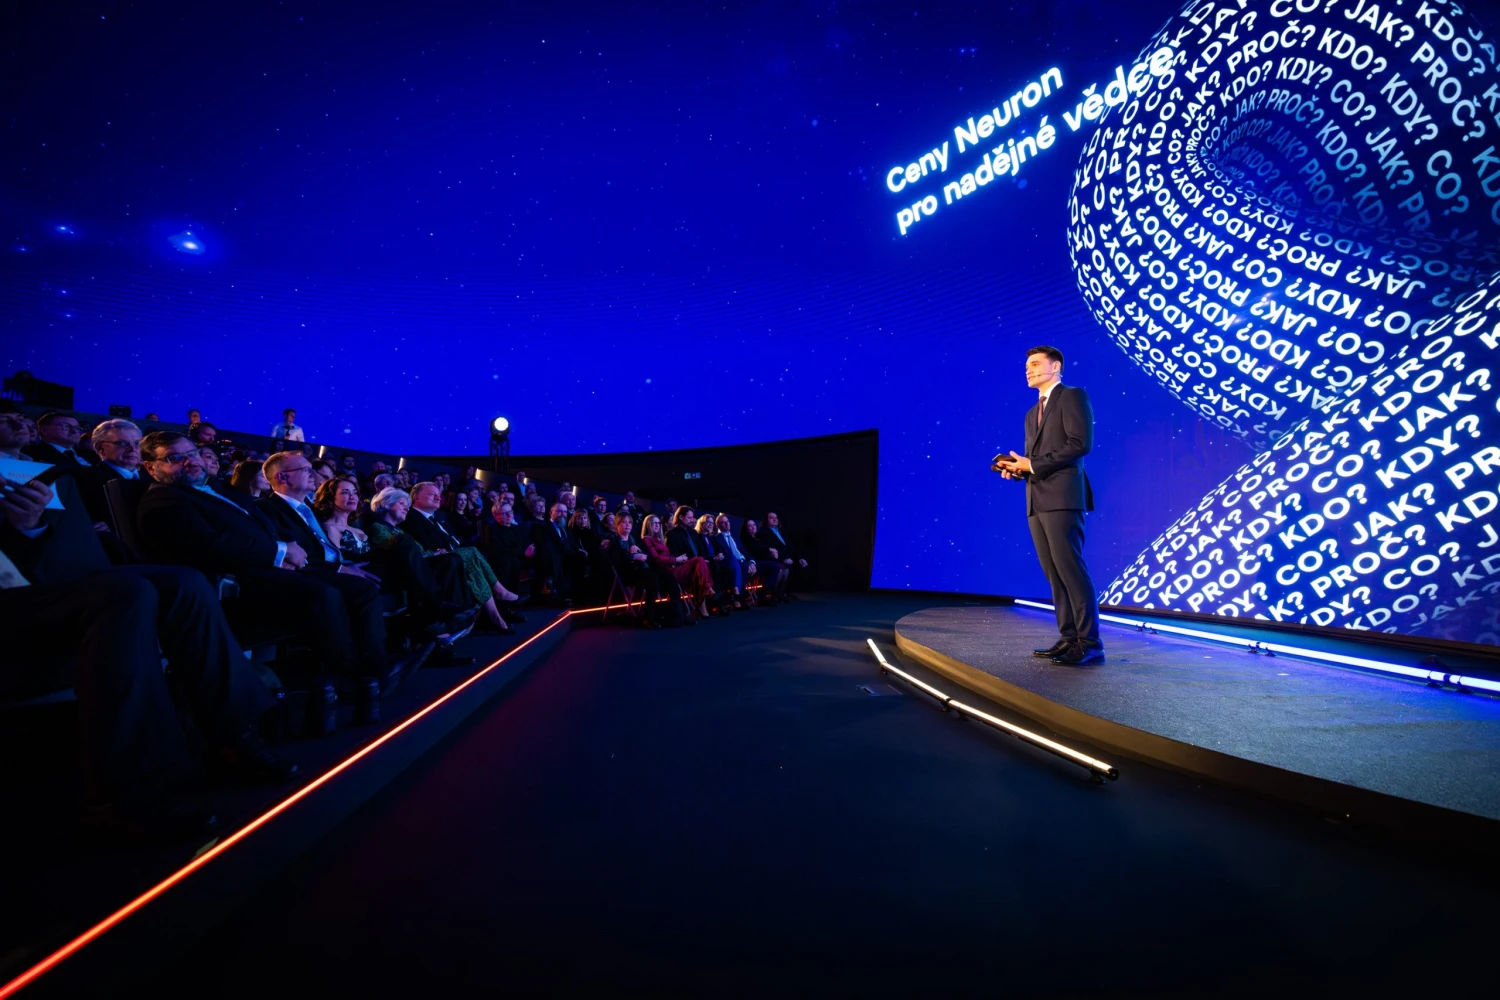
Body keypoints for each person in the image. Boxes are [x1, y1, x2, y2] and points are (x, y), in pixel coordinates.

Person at [135, 436, 398, 688]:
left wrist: (286, 551)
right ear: (150, 467)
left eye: (192, 453)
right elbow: (207, 545)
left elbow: (259, 529)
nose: (190, 461)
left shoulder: (215, 491)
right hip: (239, 580)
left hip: (272, 567)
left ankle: (376, 660)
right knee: (324, 594)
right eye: (174, 457)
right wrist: (279, 552)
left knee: (360, 588)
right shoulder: (164, 498)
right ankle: (359, 674)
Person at [993, 345, 1103, 665]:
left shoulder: (1072, 396)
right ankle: (1069, 637)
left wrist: (1032, 465)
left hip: (1063, 496)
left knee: (1070, 569)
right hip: (1036, 499)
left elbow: (1080, 444)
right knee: (1053, 573)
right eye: (1026, 365)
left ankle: (1090, 643)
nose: (1028, 369)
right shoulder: (1032, 413)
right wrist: (1017, 469)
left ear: (1055, 367)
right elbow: (1035, 460)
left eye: (1035, 363)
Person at [315, 480, 473, 642]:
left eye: (355, 492)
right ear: (330, 498)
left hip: (380, 565)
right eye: (345, 492)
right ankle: (437, 607)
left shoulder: (357, 527)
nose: (352, 496)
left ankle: (452, 619)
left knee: (447, 560)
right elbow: (338, 558)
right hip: (362, 567)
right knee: (402, 541)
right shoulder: (330, 527)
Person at [372, 487, 512, 633]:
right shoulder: (378, 527)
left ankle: (471, 612)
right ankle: (487, 601)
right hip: (406, 573)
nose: (406, 508)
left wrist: (434, 553)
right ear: (386, 504)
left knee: (462, 558)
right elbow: (402, 554)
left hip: (425, 562)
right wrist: (433, 554)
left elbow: (417, 552)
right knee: (461, 556)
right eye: (401, 503)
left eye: (406, 505)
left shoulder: (398, 530)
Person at [402, 482, 522, 623]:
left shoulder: (435, 518)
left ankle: (495, 614)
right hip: (433, 562)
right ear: (415, 496)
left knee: (475, 559)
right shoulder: (410, 517)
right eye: (432, 494)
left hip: (449, 557)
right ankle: (498, 600)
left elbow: (450, 541)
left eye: (438, 494)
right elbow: (426, 546)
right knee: (474, 554)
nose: (438, 497)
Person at [641, 513, 714, 618]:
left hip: (672, 566)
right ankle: (708, 588)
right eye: (654, 523)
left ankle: (705, 594)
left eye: (658, 523)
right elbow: (656, 558)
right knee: (699, 560)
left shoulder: (659, 539)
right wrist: (676, 560)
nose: (657, 525)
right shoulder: (646, 539)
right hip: (665, 571)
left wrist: (677, 559)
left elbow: (667, 556)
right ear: (648, 525)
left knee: (700, 562)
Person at [77, 417, 144, 526]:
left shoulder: (152, 479)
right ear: (100, 448)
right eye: (122, 443)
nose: (132, 449)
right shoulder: (86, 480)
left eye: (137, 443)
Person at [669, 507, 732, 613]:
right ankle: (711, 594)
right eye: (689, 517)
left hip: (698, 563)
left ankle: (712, 606)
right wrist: (700, 560)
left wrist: (706, 559)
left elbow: (701, 552)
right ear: (681, 517)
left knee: (714, 566)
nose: (692, 519)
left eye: (692, 517)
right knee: (703, 564)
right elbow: (674, 555)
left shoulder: (693, 533)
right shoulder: (672, 534)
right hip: (684, 566)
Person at [478, 500, 533, 607]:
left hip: (521, 557)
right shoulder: (491, 528)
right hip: (503, 558)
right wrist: (523, 552)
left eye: (510, 512)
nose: (509, 515)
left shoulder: (517, 528)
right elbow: (498, 549)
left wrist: (528, 550)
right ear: (495, 516)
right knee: (507, 559)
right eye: (505, 513)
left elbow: (527, 544)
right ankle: (508, 599)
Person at [529, 501, 580, 605]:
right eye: (559, 511)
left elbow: (571, 545)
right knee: (554, 559)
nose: (562, 514)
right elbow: (544, 546)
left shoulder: (567, 529)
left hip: (566, 556)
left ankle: (573, 595)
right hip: (550, 557)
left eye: (564, 512)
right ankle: (555, 596)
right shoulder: (542, 527)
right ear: (551, 512)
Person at [22, 411, 97, 470]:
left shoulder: (92, 455)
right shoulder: (30, 454)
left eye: (77, 428)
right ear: (44, 430)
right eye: (66, 426)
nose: (74, 431)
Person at [739, 518, 789, 602]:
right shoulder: (746, 538)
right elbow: (757, 549)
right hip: (753, 563)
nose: (753, 527)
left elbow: (764, 548)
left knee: (782, 567)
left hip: (761, 561)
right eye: (749, 526)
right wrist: (770, 550)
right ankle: (764, 595)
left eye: (754, 525)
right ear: (746, 529)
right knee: (776, 567)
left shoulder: (757, 537)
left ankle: (776, 594)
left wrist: (774, 553)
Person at [762, 512, 808, 599]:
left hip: (788, 558)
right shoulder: (763, 533)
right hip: (776, 559)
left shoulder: (781, 531)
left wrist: (800, 558)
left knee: (801, 565)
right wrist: (783, 559)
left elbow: (791, 547)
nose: (775, 519)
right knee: (783, 569)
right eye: (771, 518)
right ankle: (775, 595)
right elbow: (769, 550)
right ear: (766, 520)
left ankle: (783, 593)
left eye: (776, 517)